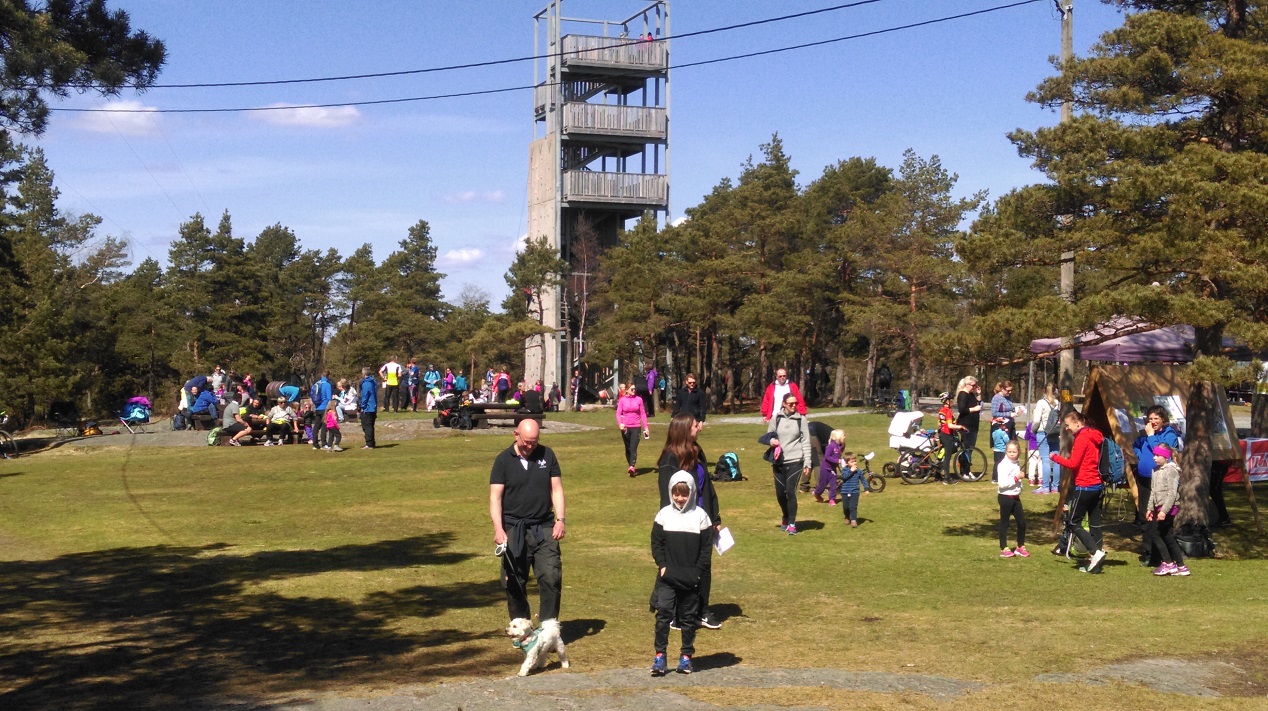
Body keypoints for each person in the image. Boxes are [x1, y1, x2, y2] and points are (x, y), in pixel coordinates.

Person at [490, 420, 566, 625]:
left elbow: (557, 489)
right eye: (527, 442)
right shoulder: (503, 461)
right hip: (514, 528)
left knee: (551, 577)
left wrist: (560, 520)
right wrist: (499, 529)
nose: (530, 446)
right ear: (516, 435)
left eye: (534, 441)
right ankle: (520, 627)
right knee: (514, 580)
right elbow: (495, 498)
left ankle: (549, 628)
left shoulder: (547, 455)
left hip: (544, 527)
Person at [656, 412, 723, 630]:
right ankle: (677, 613)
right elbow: (667, 497)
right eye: (695, 425)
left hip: (703, 520)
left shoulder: (697, 451)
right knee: (681, 568)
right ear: (685, 429)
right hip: (681, 525)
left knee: (703, 566)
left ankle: (702, 611)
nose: (699, 428)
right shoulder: (669, 459)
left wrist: (715, 518)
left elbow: (707, 488)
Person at [649, 471, 712, 677]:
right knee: (663, 614)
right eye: (676, 493)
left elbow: (705, 549)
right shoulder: (663, 515)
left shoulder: (701, 517)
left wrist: (697, 573)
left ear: (692, 493)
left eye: (684, 494)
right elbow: (656, 543)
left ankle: (686, 657)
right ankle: (660, 656)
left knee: (687, 619)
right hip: (667, 578)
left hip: (690, 579)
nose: (679, 498)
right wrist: (663, 566)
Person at [1050, 410, 1108, 573]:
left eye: (1068, 425)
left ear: (1078, 423)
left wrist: (1055, 457)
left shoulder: (1082, 438)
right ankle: (1096, 562)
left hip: (1085, 486)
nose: (1067, 429)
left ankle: (1095, 552)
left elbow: (1073, 464)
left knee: (1073, 522)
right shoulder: (1094, 435)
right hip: (1097, 485)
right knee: (1095, 524)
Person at [765, 392, 812, 535]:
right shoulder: (776, 418)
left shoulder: (801, 420)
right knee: (780, 494)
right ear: (784, 404)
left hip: (796, 460)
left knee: (790, 491)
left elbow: (806, 441)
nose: (793, 406)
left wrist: (808, 463)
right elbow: (769, 435)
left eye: (795, 403)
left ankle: (792, 523)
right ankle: (785, 516)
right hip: (779, 461)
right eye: (790, 403)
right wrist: (772, 441)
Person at [1131, 405, 1183, 530]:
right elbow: (1136, 445)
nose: (1153, 422)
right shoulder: (1146, 434)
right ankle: (1147, 544)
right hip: (1143, 477)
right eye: (1150, 419)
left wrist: (1151, 436)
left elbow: (1159, 451)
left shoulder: (1169, 434)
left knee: (1157, 509)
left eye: (1156, 418)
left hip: (1160, 477)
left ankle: (1158, 542)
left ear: (1163, 420)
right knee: (1144, 511)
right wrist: (1141, 456)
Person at [1144, 444, 1189, 576]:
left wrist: (1164, 511)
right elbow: (1153, 491)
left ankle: (1168, 563)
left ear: (1166, 456)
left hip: (1169, 508)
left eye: (1157, 455)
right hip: (1159, 506)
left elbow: (1172, 493)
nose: (1154, 458)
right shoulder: (1155, 470)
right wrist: (1149, 508)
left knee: (1155, 534)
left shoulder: (1171, 471)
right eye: (1154, 455)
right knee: (1168, 536)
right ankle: (1181, 566)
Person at [996, 441, 1028, 558]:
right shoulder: (1003, 465)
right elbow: (1002, 484)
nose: (1012, 454)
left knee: (1022, 523)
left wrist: (1020, 484)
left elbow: (1017, 482)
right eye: (1009, 452)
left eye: (1014, 452)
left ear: (1018, 452)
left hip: (1015, 497)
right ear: (1006, 451)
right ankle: (1003, 547)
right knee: (1005, 523)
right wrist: (1016, 478)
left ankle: (1020, 546)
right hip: (1005, 497)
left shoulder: (1016, 463)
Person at [1030, 384, 1061, 494]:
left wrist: (1033, 430)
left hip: (1043, 432)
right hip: (1055, 432)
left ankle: (1045, 487)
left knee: (1045, 460)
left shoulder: (1041, 403)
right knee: (1056, 459)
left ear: (1043, 391)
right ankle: (1055, 487)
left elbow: (1037, 420)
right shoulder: (1058, 403)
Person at [617, 380, 650, 476]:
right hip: (625, 428)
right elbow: (618, 413)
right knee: (627, 448)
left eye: (635, 389)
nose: (634, 390)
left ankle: (632, 466)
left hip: (636, 427)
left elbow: (643, 414)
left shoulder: (639, 399)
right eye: (632, 389)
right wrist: (620, 424)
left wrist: (646, 427)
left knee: (633, 447)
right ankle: (630, 465)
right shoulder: (622, 400)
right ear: (627, 390)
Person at [955, 377, 984, 480]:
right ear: (966, 384)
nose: (974, 387)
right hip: (966, 424)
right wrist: (974, 409)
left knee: (970, 449)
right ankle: (964, 472)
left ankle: (967, 470)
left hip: (973, 425)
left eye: (975, 385)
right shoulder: (963, 394)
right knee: (966, 449)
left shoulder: (971, 394)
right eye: (973, 385)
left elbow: (978, 405)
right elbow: (962, 409)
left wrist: (978, 395)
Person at [937, 391, 966, 485]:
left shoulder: (941, 410)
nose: (952, 401)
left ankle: (937, 474)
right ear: (947, 401)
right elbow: (949, 425)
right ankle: (947, 479)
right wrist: (960, 427)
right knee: (947, 457)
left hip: (942, 433)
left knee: (942, 454)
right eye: (951, 399)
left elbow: (939, 423)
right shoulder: (948, 411)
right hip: (947, 434)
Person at [836, 452, 871, 528]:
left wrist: (866, 488)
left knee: (853, 506)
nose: (854, 463)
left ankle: (853, 520)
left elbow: (863, 480)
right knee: (846, 507)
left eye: (855, 461)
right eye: (852, 462)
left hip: (855, 492)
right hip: (845, 492)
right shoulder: (844, 470)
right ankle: (847, 517)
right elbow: (844, 477)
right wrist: (851, 471)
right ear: (847, 463)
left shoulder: (858, 471)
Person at [814, 429, 846, 505]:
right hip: (825, 468)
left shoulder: (839, 446)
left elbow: (841, 450)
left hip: (832, 469)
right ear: (838, 437)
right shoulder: (831, 446)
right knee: (823, 484)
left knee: (833, 485)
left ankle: (832, 499)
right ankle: (817, 493)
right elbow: (827, 457)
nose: (845, 437)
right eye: (843, 435)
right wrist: (837, 461)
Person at [310, 371, 333, 450]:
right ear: (328, 376)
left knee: (316, 426)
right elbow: (329, 398)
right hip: (324, 407)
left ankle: (315, 444)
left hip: (317, 407)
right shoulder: (327, 385)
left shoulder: (317, 384)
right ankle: (324, 443)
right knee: (324, 426)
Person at [359, 367, 378, 449]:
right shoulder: (373, 382)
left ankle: (369, 443)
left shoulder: (366, 383)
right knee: (370, 425)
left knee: (367, 426)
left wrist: (362, 406)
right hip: (373, 407)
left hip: (368, 407)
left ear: (364, 374)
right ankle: (371, 442)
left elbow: (365, 396)